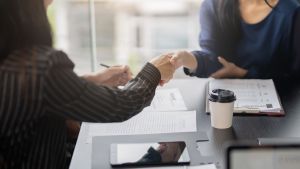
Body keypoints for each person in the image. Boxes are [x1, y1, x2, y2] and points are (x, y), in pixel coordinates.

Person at [0, 0, 175, 169]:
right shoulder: (42, 66)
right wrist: (154, 70)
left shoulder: (13, 60)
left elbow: (32, 93)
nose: (51, 2)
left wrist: (93, 81)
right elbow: (120, 105)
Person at [170, 0, 300, 82]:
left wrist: (244, 74)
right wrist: (188, 59)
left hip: (281, 106)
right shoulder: (212, 5)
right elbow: (213, 59)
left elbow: (294, 75)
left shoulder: (291, 11)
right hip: (223, 101)